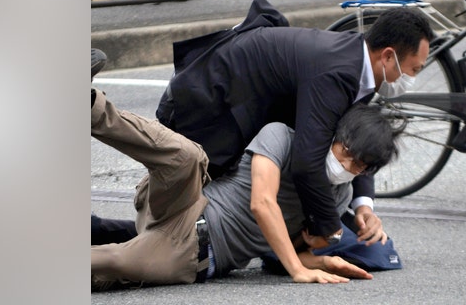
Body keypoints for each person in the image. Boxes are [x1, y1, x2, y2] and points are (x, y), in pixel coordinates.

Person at [154, 0, 434, 246]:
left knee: (183, 231)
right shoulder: (337, 74)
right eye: (413, 69)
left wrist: (363, 207)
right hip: (199, 105)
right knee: (178, 225)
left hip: (227, 105)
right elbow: (306, 163)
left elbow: (357, 138)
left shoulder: (358, 65)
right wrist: (330, 231)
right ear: (387, 56)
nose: (411, 79)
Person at [90, 73, 405, 290]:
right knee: (187, 156)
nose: (346, 165)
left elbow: (281, 254)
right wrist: (299, 269)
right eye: (346, 152)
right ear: (335, 135)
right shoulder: (281, 137)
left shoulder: (337, 197)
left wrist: (321, 257)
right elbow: (262, 202)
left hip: (192, 255)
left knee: (114, 262)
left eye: (359, 165)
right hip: (185, 204)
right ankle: (90, 105)